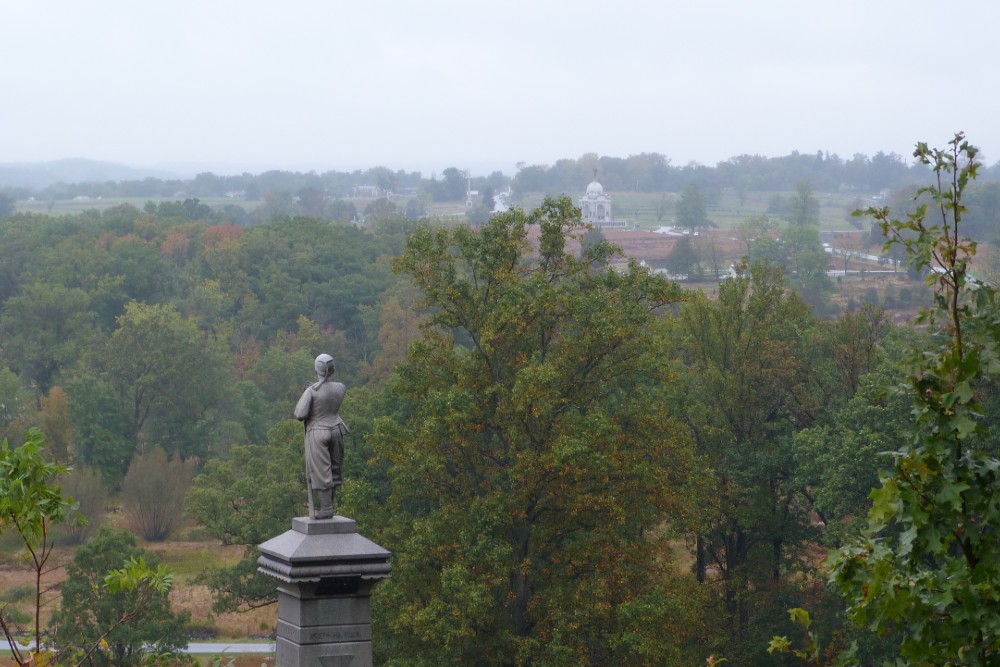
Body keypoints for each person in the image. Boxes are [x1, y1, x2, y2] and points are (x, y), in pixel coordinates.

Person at [294, 354, 348, 519]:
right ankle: (329, 506)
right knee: (334, 470)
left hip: (318, 431)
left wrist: (309, 392)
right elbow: (327, 394)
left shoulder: (311, 391)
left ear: (316, 370)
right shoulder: (341, 387)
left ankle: (326, 509)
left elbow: (300, 414)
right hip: (337, 430)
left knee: (321, 472)